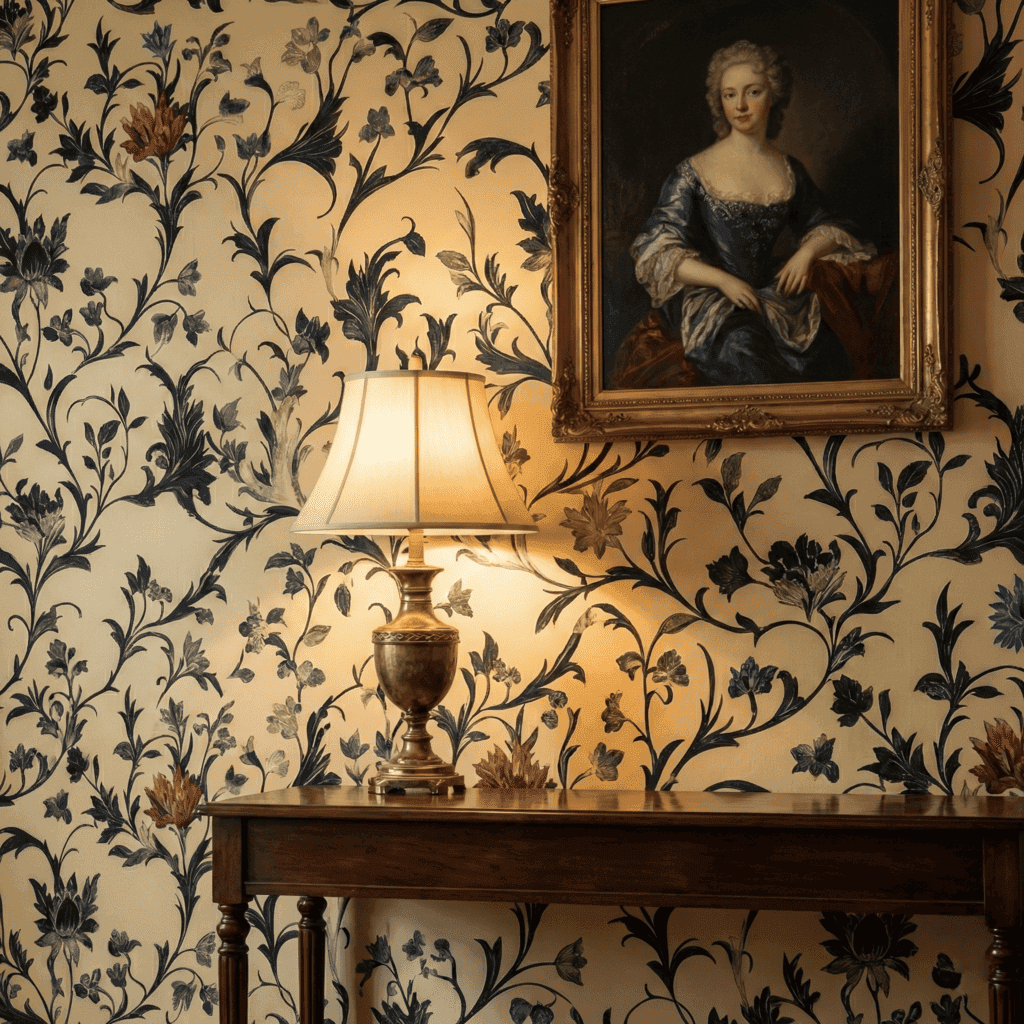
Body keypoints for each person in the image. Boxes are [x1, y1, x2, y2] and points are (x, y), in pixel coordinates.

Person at [615, 40, 881, 389]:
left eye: (752, 92)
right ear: (719, 101)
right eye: (729, 95)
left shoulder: (789, 170)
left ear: (773, 96)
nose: (740, 105)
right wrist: (723, 280)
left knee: (828, 355)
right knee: (743, 349)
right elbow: (658, 248)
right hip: (713, 302)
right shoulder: (693, 173)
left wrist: (805, 253)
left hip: (773, 298)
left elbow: (828, 224)